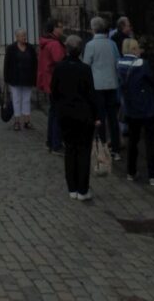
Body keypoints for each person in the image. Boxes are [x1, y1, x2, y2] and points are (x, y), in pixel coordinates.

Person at [116, 38, 154, 186]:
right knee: (150, 141)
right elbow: (151, 82)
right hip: (145, 107)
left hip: (129, 107)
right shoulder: (142, 64)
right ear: (134, 49)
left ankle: (131, 171)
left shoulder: (119, 63)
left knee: (133, 140)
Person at [51, 35, 99, 201]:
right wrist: (96, 115)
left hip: (66, 114)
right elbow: (91, 94)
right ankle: (82, 189)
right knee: (83, 151)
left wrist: (58, 108)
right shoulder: (84, 69)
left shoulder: (59, 68)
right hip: (83, 115)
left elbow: (54, 91)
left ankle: (72, 187)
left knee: (70, 150)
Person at [83, 16, 121, 159]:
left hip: (97, 85)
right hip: (111, 84)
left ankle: (102, 149)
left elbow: (86, 66)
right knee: (112, 118)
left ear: (93, 29)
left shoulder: (90, 45)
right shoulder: (112, 44)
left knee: (100, 118)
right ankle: (116, 149)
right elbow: (117, 62)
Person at [37, 18, 66, 154]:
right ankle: (56, 144)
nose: (62, 29)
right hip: (55, 82)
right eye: (60, 26)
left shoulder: (47, 42)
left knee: (53, 112)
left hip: (49, 81)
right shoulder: (54, 44)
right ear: (54, 29)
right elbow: (60, 63)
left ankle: (50, 141)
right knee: (57, 113)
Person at [3, 28, 38, 131]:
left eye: (25, 35)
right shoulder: (11, 48)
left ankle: (27, 121)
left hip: (27, 78)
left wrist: (35, 78)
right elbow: (6, 64)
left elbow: (35, 63)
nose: (24, 37)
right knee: (16, 99)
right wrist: (6, 78)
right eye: (22, 36)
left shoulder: (30, 48)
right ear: (17, 37)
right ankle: (17, 121)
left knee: (26, 100)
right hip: (15, 79)